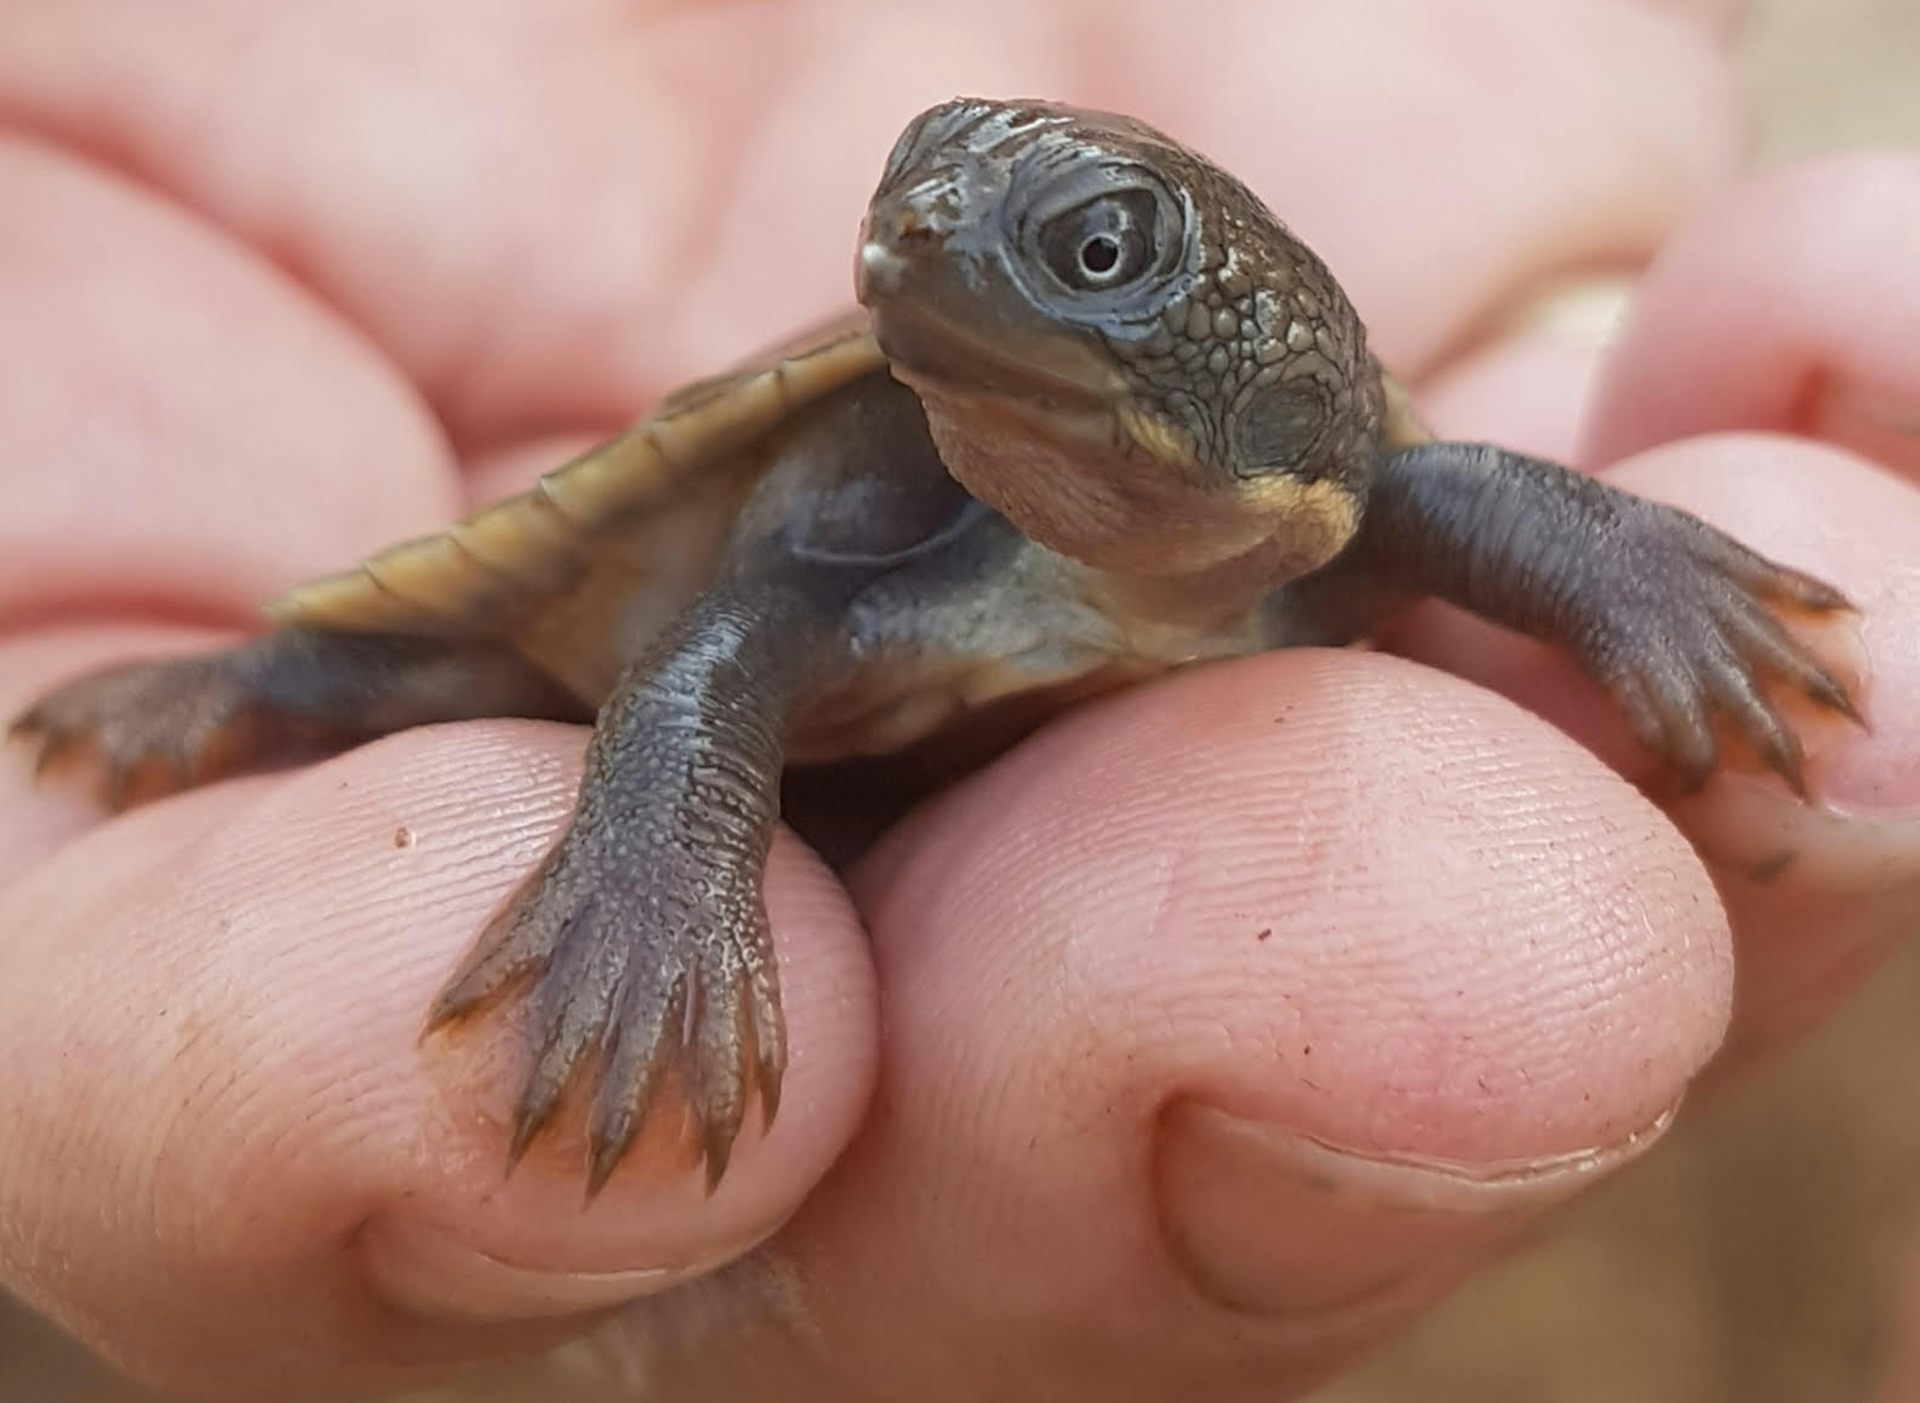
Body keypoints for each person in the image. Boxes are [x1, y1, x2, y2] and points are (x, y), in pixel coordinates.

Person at [1, 1, 1915, 1398]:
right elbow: (724, 638)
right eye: (916, 221)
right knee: (437, 673)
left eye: (1089, 253)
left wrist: (1655, 586)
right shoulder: (901, 518)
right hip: (693, 633)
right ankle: (269, 675)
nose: (924, 257)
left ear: (1244, 332)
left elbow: (1473, 501)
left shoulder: (1360, 503)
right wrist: (661, 879)